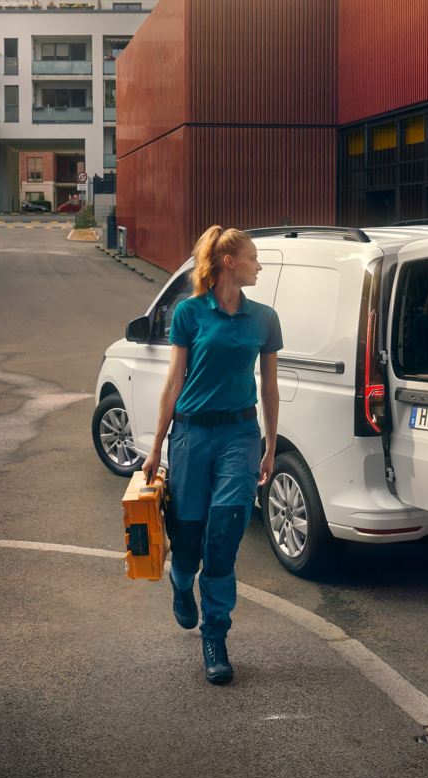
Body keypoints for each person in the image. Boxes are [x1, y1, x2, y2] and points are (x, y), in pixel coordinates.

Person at [142, 225, 282, 685]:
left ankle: (215, 638)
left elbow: (271, 386)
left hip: (239, 435)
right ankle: (181, 584)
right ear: (228, 263)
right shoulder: (189, 313)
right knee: (188, 540)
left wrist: (270, 444)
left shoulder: (264, 318)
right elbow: (173, 383)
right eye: (253, 257)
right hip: (191, 437)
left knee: (222, 539)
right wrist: (157, 445)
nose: (259, 265)